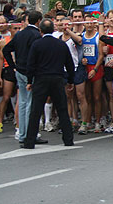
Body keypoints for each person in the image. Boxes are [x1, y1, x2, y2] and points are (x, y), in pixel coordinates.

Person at [22, 18, 75, 148]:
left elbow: (31, 64)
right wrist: (70, 80)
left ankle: (30, 141)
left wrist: (30, 80)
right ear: (53, 30)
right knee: (62, 109)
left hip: (41, 79)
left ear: (40, 30)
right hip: (57, 79)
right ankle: (68, 139)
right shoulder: (61, 44)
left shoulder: (37, 44)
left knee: (36, 110)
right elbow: (69, 64)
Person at [3, 10, 46, 145]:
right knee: (30, 103)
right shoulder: (36, 35)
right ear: (38, 21)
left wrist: (12, 65)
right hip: (30, 72)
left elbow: (6, 50)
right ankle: (30, 134)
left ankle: (22, 133)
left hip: (19, 70)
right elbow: (37, 56)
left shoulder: (19, 34)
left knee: (22, 102)